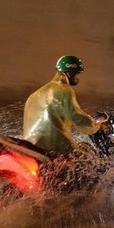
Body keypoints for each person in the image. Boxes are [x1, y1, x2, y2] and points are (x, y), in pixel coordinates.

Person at [23, 55, 102, 191]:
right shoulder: (63, 91)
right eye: (77, 74)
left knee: (80, 150)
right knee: (88, 160)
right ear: (69, 73)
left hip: (31, 143)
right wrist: (96, 125)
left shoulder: (36, 93)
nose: (77, 78)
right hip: (52, 143)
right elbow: (76, 116)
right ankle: (78, 195)